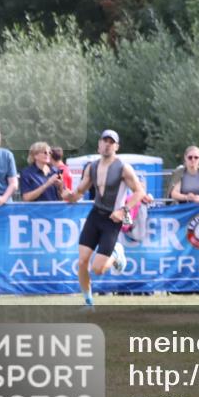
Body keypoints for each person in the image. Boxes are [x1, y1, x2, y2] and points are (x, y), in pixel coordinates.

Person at [60, 130, 146, 307]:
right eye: (104, 141)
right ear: (98, 145)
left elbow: (140, 192)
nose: (107, 144)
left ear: (116, 146)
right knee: (83, 261)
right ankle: (88, 302)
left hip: (112, 220)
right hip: (95, 215)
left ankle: (117, 254)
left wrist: (123, 210)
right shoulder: (91, 167)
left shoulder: (123, 168)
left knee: (98, 269)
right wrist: (66, 194)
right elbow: (78, 193)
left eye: (111, 142)